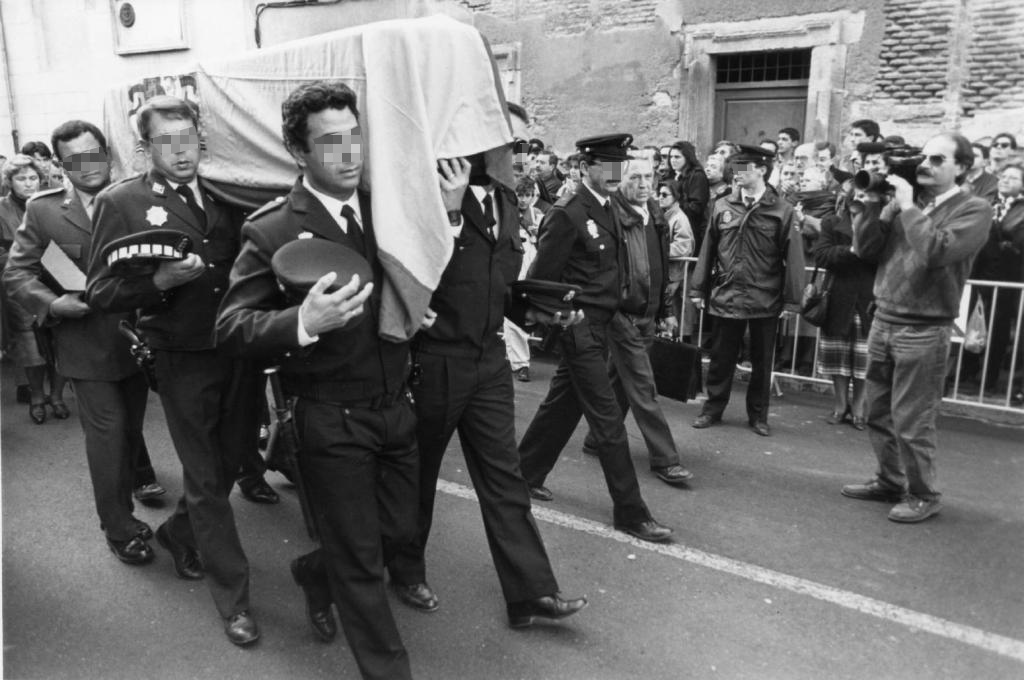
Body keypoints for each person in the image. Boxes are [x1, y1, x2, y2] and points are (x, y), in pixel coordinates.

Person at [216, 80, 457, 679]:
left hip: (396, 404)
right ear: (299, 152)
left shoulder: (385, 210)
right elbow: (231, 327)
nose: (348, 153)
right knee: (360, 559)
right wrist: (303, 321)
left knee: (400, 531)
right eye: (330, 142)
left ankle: (312, 572)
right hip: (330, 415)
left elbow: (410, 277)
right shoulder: (273, 228)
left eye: (354, 136)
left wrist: (417, 297)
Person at [383, 107, 587, 630]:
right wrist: (449, 214)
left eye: (520, 147)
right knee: (418, 475)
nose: (521, 157)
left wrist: (537, 310)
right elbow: (413, 276)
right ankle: (406, 569)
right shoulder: (429, 193)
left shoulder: (507, 201)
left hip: (489, 362)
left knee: (505, 481)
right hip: (436, 360)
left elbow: (497, 286)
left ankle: (531, 593)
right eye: (509, 145)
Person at [86, 95, 261, 645]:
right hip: (181, 356)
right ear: (145, 147)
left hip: (238, 348)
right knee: (205, 476)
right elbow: (100, 292)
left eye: (189, 139)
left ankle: (181, 535)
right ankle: (234, 599)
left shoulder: (231, 190)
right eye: (167, 141)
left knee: (232, 459)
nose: (181, 151)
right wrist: (157, 283)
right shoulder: (122, 201)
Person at [3, 119, 165, 564]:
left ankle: (125, 509)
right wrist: (52, 304)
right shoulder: (44, 210)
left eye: (94, 153)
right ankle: (118, 528)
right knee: (108, 437)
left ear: (107, 153)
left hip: (138, 340)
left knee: (129, 433)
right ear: (59, 165)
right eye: (74, 159)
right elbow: (17, 273)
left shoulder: (140, 197)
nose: (87, 165)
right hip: (84, 344)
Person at [517, 133, 674, 543]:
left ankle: (524, 474)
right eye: (608, 165)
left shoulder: (608, 207)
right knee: (607, 419)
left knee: (562, 405)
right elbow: (540, 279)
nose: (616, 173)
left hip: (606, 322)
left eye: (621, 165)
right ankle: (631, 512)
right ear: (586, 168)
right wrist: (561, 318)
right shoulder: (569, 212)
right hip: (580, 326)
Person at [841, 132, 991, 523]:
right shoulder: (906, 202)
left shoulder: (974, 209)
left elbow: (936, 251)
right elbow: (866, 250)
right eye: (924, 157)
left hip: (925, 329)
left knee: (912, 420)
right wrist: (871, 205)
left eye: (938, 159)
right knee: (877, 412)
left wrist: (907, 206)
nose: (925, 165)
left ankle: (924, 494)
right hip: (884, 319)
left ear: (962, 167)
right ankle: (890, 481)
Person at [580, 157, 694, 486]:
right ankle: (666, 459)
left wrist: (666, 311)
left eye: (648, 177)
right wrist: (614, 309)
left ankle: (596, 438)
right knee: (644, 387)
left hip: (647, 311)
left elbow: (660, 266)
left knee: (620, 379)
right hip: (621, 315)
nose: (644, 184)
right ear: (621, 180)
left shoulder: (654, 211)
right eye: (635, 178)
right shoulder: (612, 215)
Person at [689, 144, 805, 437]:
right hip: (727, 295)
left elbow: (794, 258)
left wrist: (792, 302)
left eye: (743, 168)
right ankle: (712, 409)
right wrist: (698, 289)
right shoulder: (722, 206)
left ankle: (758, 415)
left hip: (765, 297)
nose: (736, 174)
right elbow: (708, 249)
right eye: (734, 168)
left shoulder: (782, 210)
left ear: (762, 170)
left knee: (762, 363)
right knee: (721, 359)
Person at [0, 154, 70, 423]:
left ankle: (57, 397)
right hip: (19, 283)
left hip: (57, 277)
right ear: (10, 181)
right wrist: (25, 260)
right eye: (21, 178)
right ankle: (37, 398)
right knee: (29, 343)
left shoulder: (51, 204)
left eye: (33, 178)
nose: (28, 183)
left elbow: (68, 241)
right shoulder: (1, 209)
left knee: (62, 340)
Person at [811, 178, 876, 429]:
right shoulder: (832, 222)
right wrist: (849, 251)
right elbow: (821, 255)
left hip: (868, 299)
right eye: (857, 195)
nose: (861, 199)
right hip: (838, 297)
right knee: (837, 357)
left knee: (862, 359)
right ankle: (840, 405)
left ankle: (858, 407)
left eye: (866, 195)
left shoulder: (881, 225)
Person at [667, 141, 710, 247]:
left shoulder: (697, 175)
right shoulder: (675, 175)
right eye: (671, 157)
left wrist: (675, 205)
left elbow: (696, 207)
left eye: (677, 157)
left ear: (687, 157)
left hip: (692, 229)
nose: (673, 160)